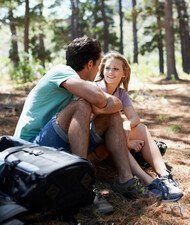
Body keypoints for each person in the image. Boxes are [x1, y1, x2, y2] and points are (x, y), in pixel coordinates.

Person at [14, 37, 158, 207]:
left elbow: (117, 104)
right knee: (82, 105)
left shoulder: (80, 84)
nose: (99, 70)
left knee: (112, 115)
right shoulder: (61, 71)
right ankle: (82, 181)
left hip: (56, 144)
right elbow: (97, 97)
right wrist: (95, 104)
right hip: (31, 148)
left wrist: (99, 109)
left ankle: (125, 180)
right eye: (98, 65)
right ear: (90, 64)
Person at [94, 51, 183, 202]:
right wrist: (127, 143)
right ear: (102, 70)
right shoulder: (96, 88)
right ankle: (149, 182)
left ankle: (165, 175)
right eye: (107, 68)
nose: (110, 72)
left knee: (141, 128)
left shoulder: (121, 93)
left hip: (111, 141)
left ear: (124, 73)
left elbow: (135, 117)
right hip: (95, 144)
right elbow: (98, 127)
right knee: (123, 137)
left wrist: (128, 123)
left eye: (116, 69)